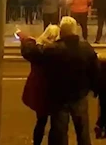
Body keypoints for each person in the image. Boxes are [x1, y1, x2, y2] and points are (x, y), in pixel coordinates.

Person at [21, 16, 99, 145]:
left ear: (61, 31)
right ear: (75, 30)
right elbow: (95, 70)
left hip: (59, 96)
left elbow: (32, 54)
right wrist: (93, 88)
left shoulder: (54, 50)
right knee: (83, 130)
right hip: (79, 95)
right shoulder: (86, 48)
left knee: (59, 131)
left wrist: (26, 41)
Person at [20, 25, 61, 145]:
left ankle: (36, 143)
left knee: (41, 121)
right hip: (55, 91)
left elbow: (27, 49)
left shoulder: (38, 49)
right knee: (56, 123)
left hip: (41, 90)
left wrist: (26, 38)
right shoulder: (58, 50)